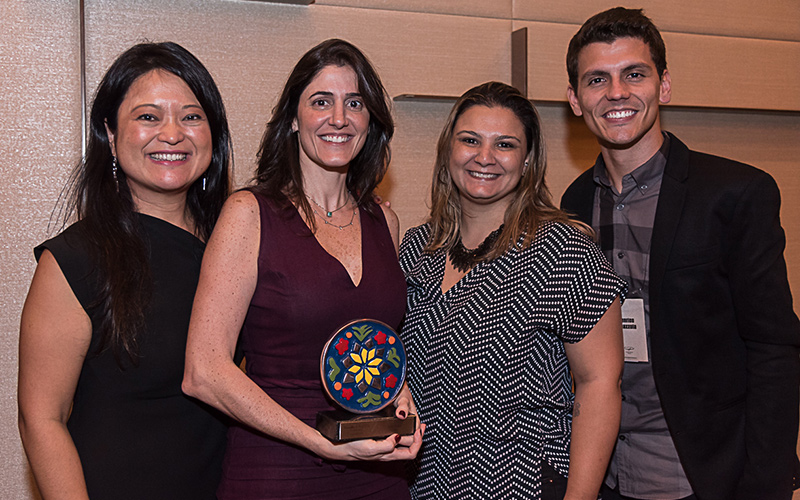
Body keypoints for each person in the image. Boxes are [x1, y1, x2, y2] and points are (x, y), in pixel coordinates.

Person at [561, 7, 800, 500]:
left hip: (703, 475)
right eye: (597, 79)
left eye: (634, 74)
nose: (616, 92)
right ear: (575, 100)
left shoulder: (734, 193)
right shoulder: (574, 204)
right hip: (603, 472)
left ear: (664, 85)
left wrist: (766, 483)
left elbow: (774, 348)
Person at [182, 38, 423, 500]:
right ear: (293, 118)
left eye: (355, 103)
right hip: (280, 471)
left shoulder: (384, 221)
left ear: (370, 120)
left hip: (378, 472)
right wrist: (321, 443)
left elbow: (372, 338)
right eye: (321, 102)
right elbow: (203, 371)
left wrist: (399, 390)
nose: (340, 118)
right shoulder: (250, 214)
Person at [18, 42, 233, 499]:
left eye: (191, 116)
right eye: (148, 117)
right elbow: (41, 418)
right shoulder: (76, 260)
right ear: (111, 136)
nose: (172, 134)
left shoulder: (235, 248)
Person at [399, 81, 625, 500]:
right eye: (470, 140)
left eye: (505, 144)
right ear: (448, 151)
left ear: (527, 161)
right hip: (423, 481)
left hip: (520, 482)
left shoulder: (564, 251)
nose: (485, 157)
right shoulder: (415, 249)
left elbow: (599, 384)